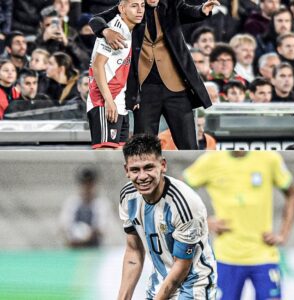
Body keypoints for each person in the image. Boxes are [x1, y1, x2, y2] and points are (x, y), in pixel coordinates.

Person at [89, 0, 220, 150]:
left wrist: (202, 9)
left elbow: (190, 11)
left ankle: (191, 174)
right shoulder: (133, 5)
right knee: (144, 148)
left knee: (189, 146)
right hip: (144, 89)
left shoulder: (171, 4)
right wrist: (106, 31)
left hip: (176, 87)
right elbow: (95, 20)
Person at [183, 151, 294, 300]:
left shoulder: (269, 158)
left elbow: (292, 194)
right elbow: (177, 192)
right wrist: (203, 221)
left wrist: (283, 234)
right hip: (225, 258)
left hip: (264, 255)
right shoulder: (210, 160)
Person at [119, 134, 216, 299]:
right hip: (160, 280)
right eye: (135, 169)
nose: (142, 176)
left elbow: (182, 266)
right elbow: (134, 251)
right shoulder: (128, 196)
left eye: (149, 167)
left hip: (193, 285)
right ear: (126, 170)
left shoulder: (185, 204)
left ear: (162, 165)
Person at [87, 0, 145, 150]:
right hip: (104, 102)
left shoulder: (129, 30)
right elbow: (97, 66)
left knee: (120, 157)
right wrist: (108, 100)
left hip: (119, 103)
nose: (140, 10)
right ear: (122, 8)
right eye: (134, 5)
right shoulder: (114, 30)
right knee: (105, 156)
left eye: (142, 5)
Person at [60, 166, 110, 248]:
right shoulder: (72, 203)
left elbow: (102, 228)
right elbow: (64, 226)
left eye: (90, 183)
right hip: (73, 248)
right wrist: (74, 236)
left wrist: (88, 234)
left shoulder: (101, 204)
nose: (87, 187)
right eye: (84, 183)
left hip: (94, 249)